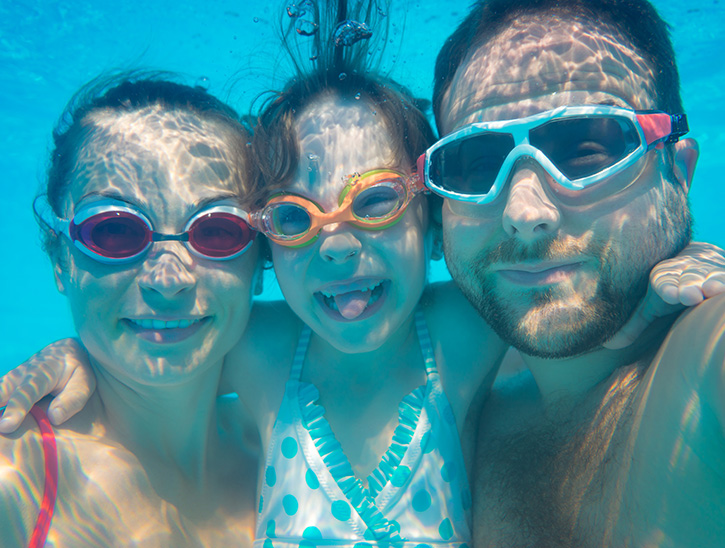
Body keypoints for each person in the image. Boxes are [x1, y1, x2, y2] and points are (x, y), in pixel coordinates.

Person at [2, 1, 724, 546]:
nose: (338, 247)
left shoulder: (466, 333)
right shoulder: (261, 352)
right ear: (262, 248)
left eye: (375, 203)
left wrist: (664, 271)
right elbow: (159, 347)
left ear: (433, 221)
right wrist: (76, 358)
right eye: (292, 218)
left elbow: (580, 311)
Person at [419, 0, 725, 545]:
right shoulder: (462, 397)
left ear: (677, 173)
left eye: (586, 152)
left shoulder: (705, 360)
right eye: (477, 165)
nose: (523, 214)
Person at [0, 76, 262, 547]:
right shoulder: (16, 472)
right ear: (60, 261)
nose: (168, 279)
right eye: (115, 233)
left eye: (218, 232)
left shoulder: (289, 440)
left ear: (259, 263)